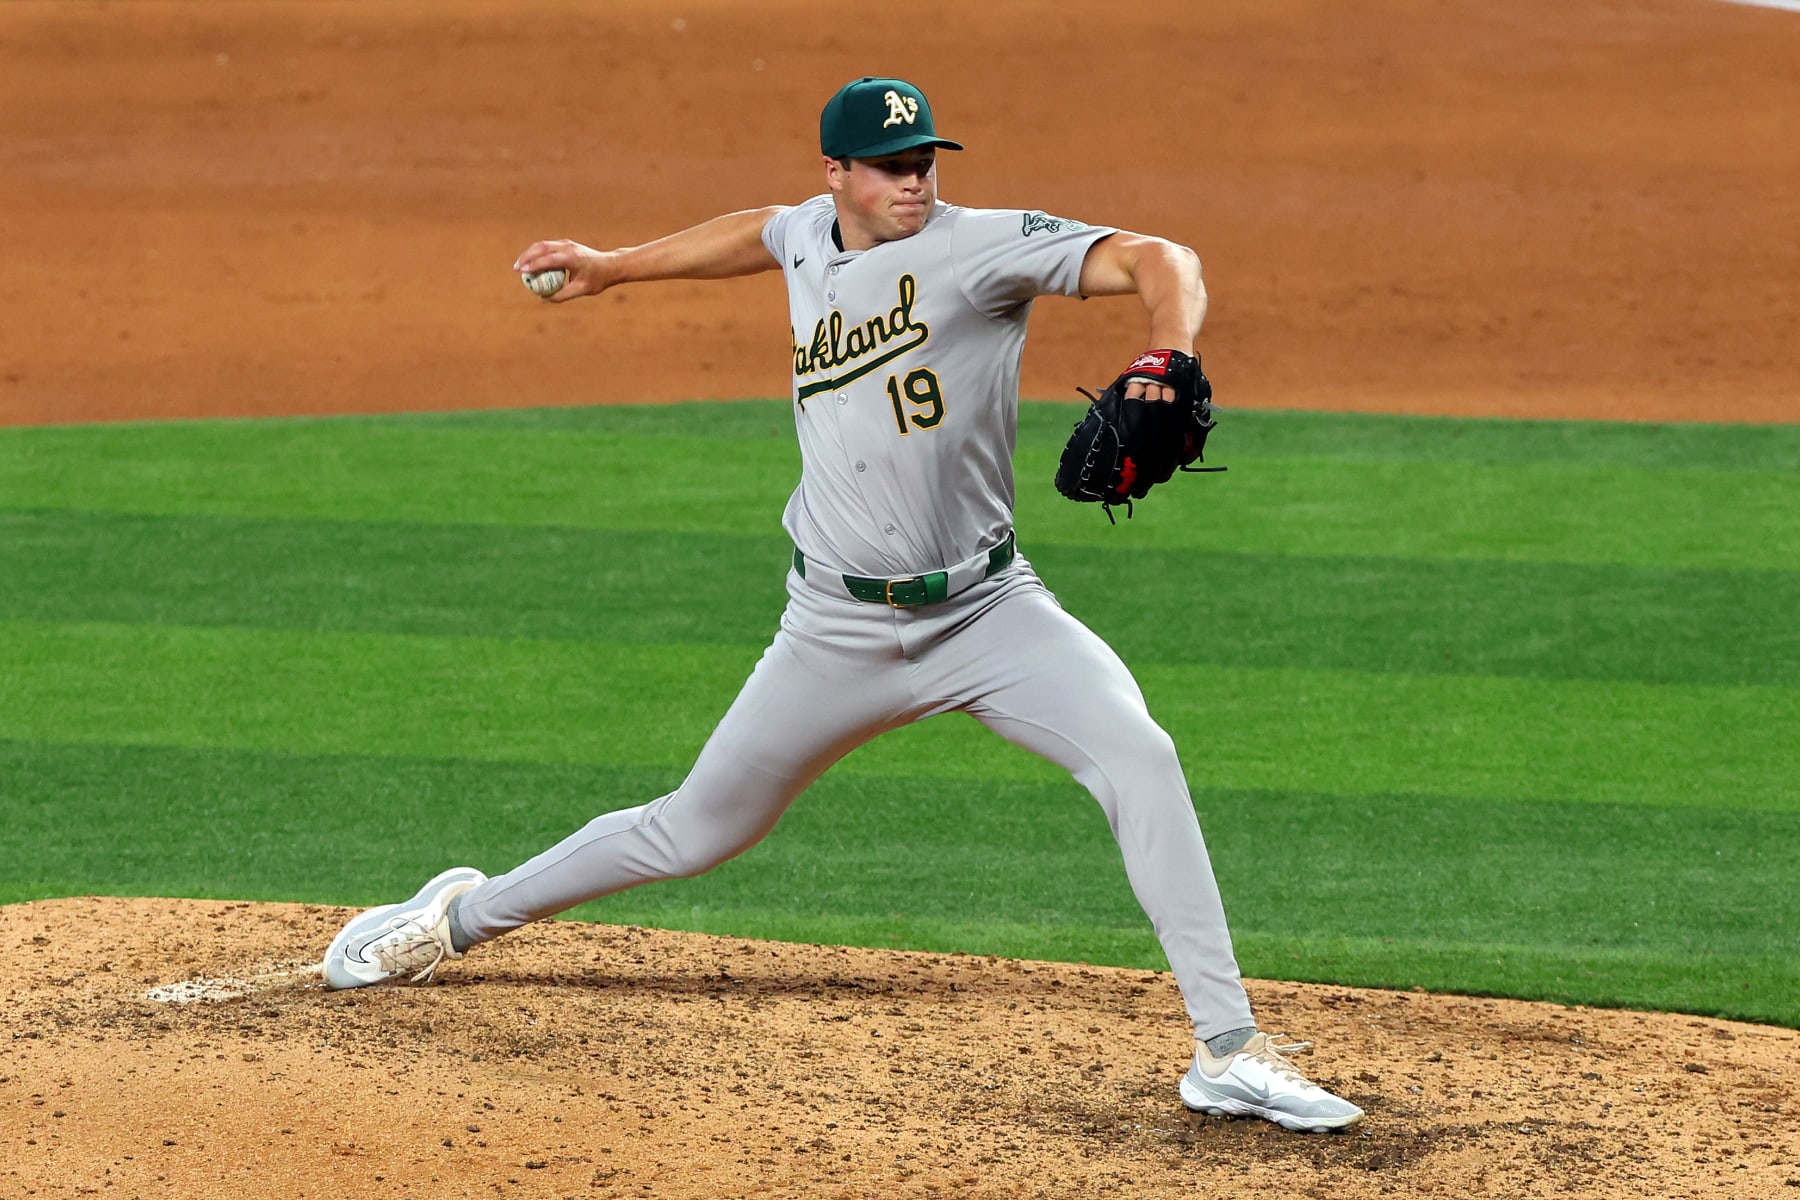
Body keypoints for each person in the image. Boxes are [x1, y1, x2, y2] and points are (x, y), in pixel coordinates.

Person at [322, 76, 1363, 1133]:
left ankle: (1227, 1049)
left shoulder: (982, 246)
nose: (914, 182)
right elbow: (761, 235)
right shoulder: (810, 234)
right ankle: (454, 920)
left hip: (988, 613)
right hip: (835, 628)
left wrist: (1170, 353)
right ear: (838, 176)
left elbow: (1160, 258)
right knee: (691, 830)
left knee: (1142, 755)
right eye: (890, 167)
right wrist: (613, 268)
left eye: (924, 163)